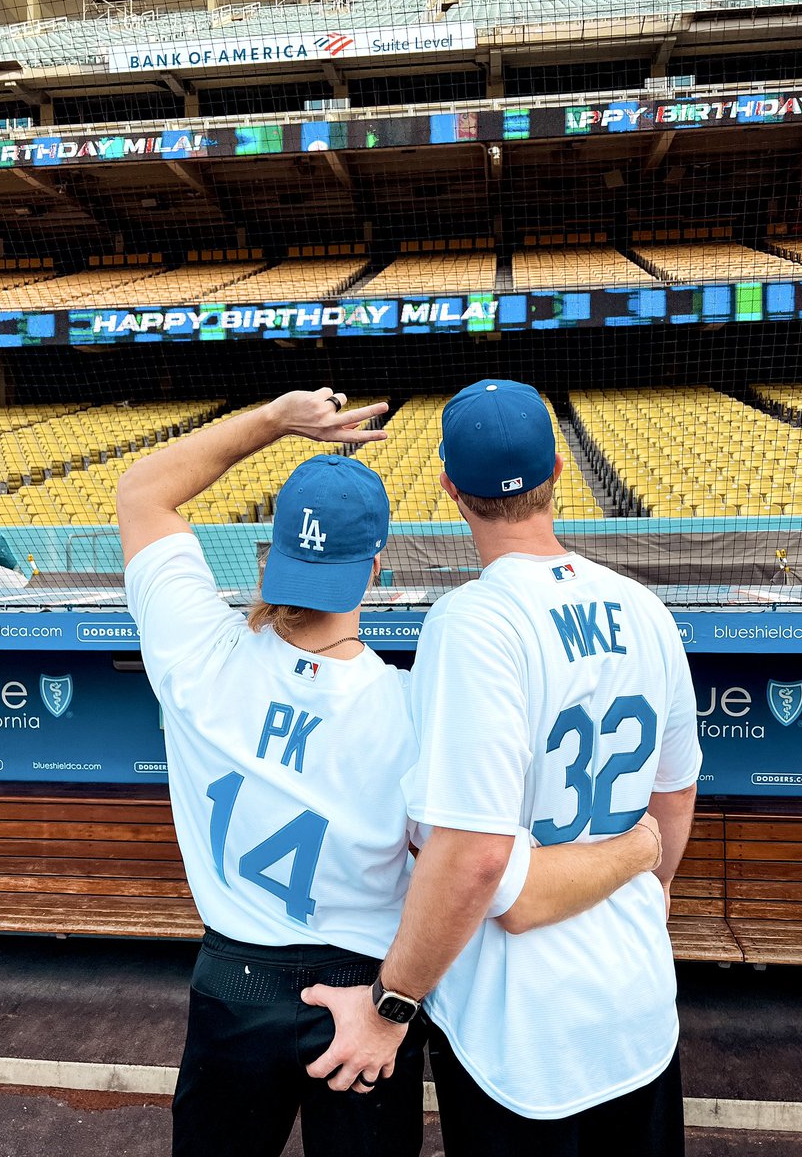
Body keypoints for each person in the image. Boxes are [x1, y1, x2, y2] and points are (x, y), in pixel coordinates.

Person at [117, 386, 665, 1156]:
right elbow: (475, 864)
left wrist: (277, 420)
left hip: (232, 987)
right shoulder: (417, 706)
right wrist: (643, 852)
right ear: (374, 570)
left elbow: (143, 491)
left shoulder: (196, 652)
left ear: (268, 556)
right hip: (364, 995)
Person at [304, 379, 701, 1157]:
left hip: (523, 1034)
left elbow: (479, 859)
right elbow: (675, 793)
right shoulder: (645, 607)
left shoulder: (474, 619)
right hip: (639, 1000)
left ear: (451, 487)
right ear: (559, 468)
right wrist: (640, 883)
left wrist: (391, 1007)